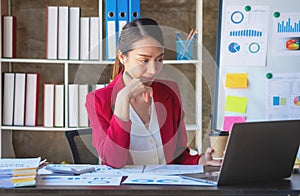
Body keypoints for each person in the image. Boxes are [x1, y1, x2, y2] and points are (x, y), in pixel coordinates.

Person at [85, 18, 221, 168]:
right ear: (122, 57)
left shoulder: (170, 92)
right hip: (125, 189)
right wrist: (122, 100)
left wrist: (200, 160)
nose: (153, 70)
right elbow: (113, 162)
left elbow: (179, 155)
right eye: (144, 60)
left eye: (159, 60)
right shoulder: (98, 100)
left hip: (167, 187)